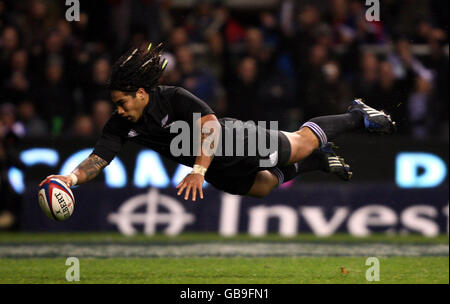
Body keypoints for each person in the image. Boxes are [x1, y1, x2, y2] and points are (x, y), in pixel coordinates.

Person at [40, 43, 396, 201]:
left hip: (234, 140)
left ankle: (356, 115)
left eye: (121, 102)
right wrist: (69, 178)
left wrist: (197, 169)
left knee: (300, 142)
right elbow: (99, 158)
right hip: (212, 166)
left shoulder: (173, 96)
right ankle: (318, 162)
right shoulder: (121, 125)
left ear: (141, 92)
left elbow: (210, 125)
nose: (117, 110)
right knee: (262, 187)